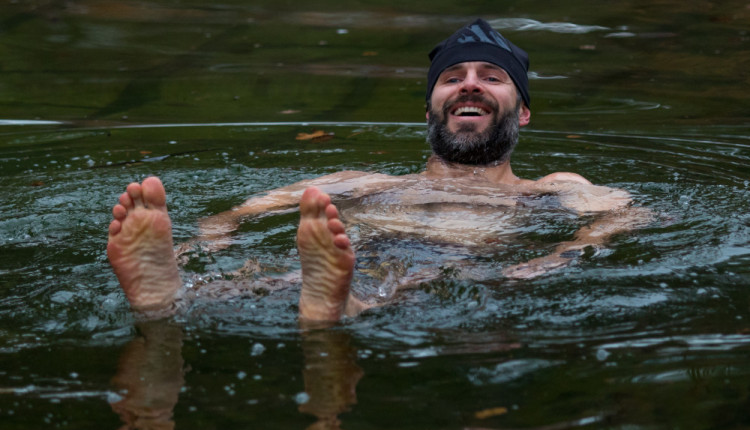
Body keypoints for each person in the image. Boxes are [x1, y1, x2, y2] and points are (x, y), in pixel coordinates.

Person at [107, 19, 649, 322]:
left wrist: (552, 260)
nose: (469, 84)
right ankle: (165, 290)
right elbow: (240, 212)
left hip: (451, 263)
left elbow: (626, 215)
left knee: (403, 280)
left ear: (523, 112)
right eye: (452, 77)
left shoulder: (555, 188)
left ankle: (316, 300)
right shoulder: (366, 184)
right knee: (286, 277)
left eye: (492, 76)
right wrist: (202, 244)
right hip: (365, 252)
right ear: (430, 107)